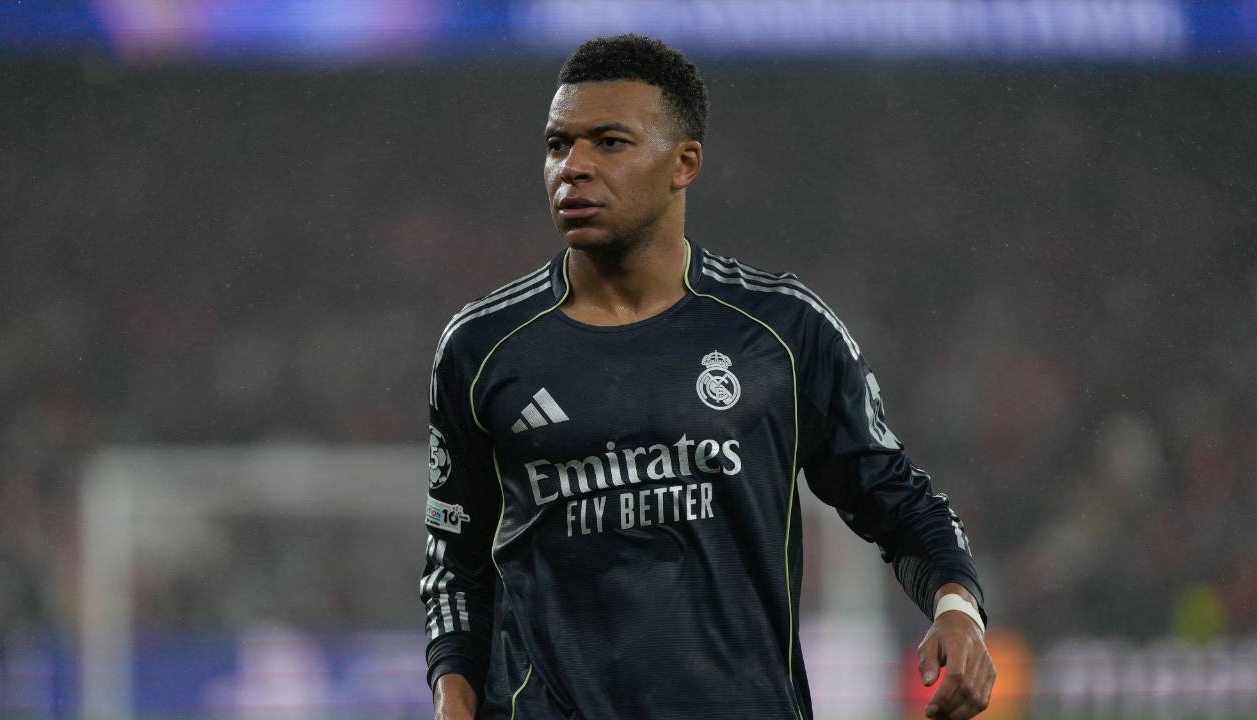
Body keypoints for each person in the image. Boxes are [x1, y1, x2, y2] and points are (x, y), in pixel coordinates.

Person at [421, 33, 995, 720]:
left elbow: (900, 501)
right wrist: (452, 700)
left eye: (609, 142)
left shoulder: (781, 331)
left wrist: (958, 608)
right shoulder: (482, 347)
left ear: (684, 163)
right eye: (557, 144)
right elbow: (454, 563)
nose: (573, 167)